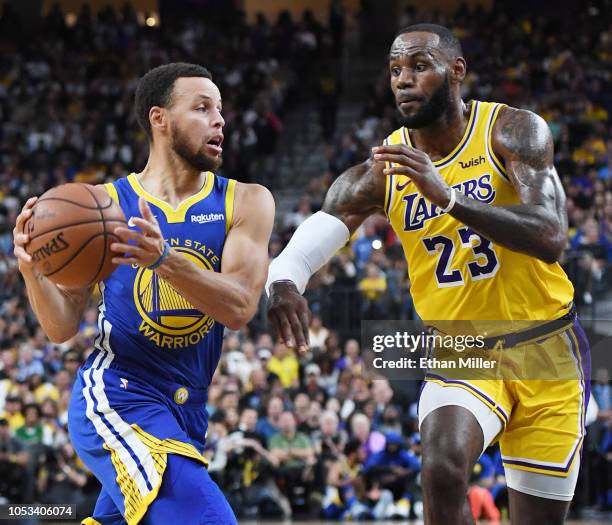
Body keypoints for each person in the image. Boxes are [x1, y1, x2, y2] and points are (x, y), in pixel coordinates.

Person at [266, 24, 590, 524]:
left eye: (419, 66)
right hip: (464, 348)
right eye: (396, 70)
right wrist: (283, 284)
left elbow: (551, 236)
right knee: (441, 467)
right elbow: (301, 252)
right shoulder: (383, 169)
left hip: (546, 348)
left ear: (455, 72)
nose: (403, 80)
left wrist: (451, 199)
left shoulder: (512, 131)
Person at [13, 62, 274, 525]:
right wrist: (32, 271)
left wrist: (163, 259)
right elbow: (60, 328)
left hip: (187, 412)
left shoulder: (246, 201)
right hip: (118, 393)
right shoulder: (103, 207)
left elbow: (239, 307)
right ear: (160, 119)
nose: (220, 120)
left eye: (220, 110)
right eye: (202, 108)